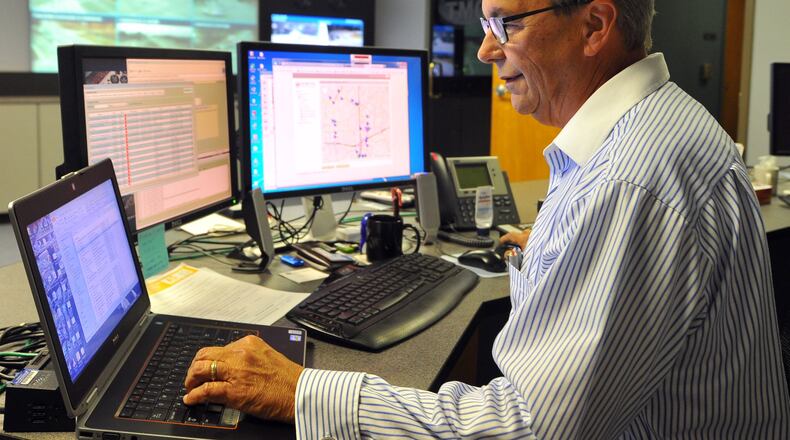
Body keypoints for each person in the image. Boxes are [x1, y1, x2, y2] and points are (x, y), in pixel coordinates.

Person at [184, 0, 790, 437]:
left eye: (508, 23)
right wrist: (558, 248)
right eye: (484, 24)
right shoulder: (660, 124)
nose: (485, 49)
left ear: (595, 25)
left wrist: (304, 392)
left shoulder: (628, 182)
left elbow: (527, 428)